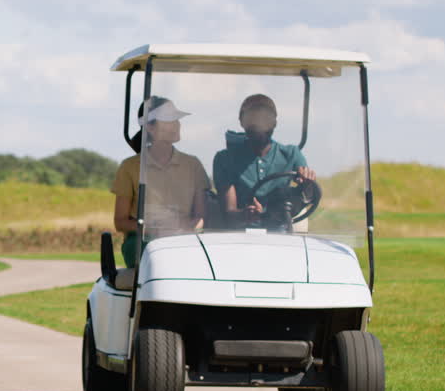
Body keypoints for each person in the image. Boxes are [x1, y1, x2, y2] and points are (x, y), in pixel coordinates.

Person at [111, 96, 211, 265]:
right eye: (169, 120)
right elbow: (120, 222)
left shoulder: (193, 165)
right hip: (142, 241)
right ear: (150, 127)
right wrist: (151, 230)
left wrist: (185, 229)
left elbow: (201, 217)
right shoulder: (130, 167)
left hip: (184, 238)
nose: (177, 124)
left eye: (176, 119)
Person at [212, 94, 316, 226]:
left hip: (279, 232)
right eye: (253, 119)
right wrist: (246, 214)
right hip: (239, 235)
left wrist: (307, 183)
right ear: (242, 122)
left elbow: (308, 196)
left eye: (265, 119)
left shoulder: (291, 154)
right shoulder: (224, 159)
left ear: (274, 123)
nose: (260, 124)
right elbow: (229, 212)